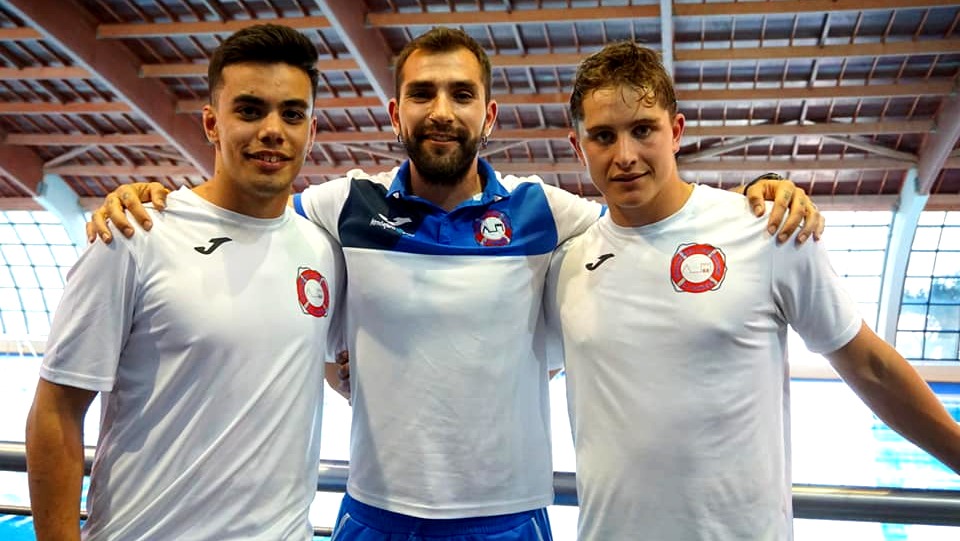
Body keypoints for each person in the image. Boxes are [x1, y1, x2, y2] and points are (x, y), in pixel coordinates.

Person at [84, 27, 822, 540]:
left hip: (509, 515)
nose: (442, 111)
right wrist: (155, 197)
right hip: (374, 513)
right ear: (395, 111)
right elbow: (248, 228)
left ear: (488, 114)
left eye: (461, 94)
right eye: (423, 93)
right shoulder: (342, 208)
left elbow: (653, 223)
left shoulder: (548, 215)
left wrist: (759, 194)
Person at [543, 41, 960, 540]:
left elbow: (869, 365)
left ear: (676, 131)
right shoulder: (567, 265)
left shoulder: (766, 229)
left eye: (643, 130)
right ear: (578, 147)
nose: (625, 155)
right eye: (603, 136)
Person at [24, 24, 346, 541]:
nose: (272, 130)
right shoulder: (135, 234)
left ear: (311, 130)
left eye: (292, 114)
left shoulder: (323, 250)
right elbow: (57, 411)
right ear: (212, 123)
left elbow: (334, 369)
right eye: (250, 110)